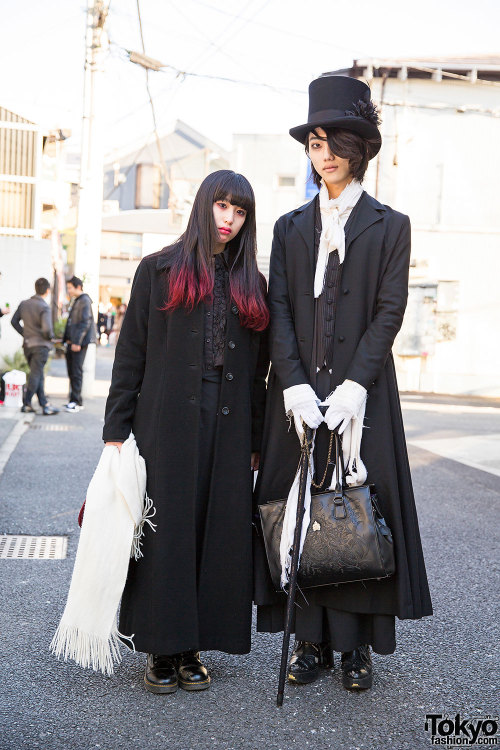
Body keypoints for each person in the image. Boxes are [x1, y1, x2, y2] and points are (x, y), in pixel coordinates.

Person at [254, 75, 432, 692]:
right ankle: (309, 644)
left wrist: (356, 383)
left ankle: (356, 650)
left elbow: (389, 309)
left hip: (365, 402)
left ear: (358, 150)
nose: (322, 154)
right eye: (314, 143)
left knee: (360, 514)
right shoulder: (288, 227)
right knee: (302, 517)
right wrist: (295, 385)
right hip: (300, 402)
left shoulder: (391, 224)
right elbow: (279, 312)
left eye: (334, 144)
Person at [103, 170, 269, 694]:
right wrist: (116, 430)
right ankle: (159, 646)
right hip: (166, 420)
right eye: (223, 206)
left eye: (240, 212)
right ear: (204, 206)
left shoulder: (250, 283)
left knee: (213, 532)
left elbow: (262, 370)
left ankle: (193, 646)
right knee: (165, 532)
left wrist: (256, 439)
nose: (230, 219)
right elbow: (131, 352)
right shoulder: (158, 270)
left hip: (229, 422)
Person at [11, 277, 59, 415]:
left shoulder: (24, 304)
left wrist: (25, 334)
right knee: (36, 374)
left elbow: (14, 322)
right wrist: (51, 338)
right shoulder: (44, 306)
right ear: (47, 290)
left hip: (27, 345)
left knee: (38, 374)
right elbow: (47, 330)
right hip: (41, 346)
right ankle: (27, 403)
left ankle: (44, 404)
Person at [63, 276, 96, 412]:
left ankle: (75, 402)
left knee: (76, 372)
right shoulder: (78, 300)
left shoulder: (84, 300)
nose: (68, 290)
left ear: (78, 287)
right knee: (73, 371)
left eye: (70, 288)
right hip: (73, 342)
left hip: (78, 343)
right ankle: (76, 400)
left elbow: (85, 322)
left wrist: (77, 342)